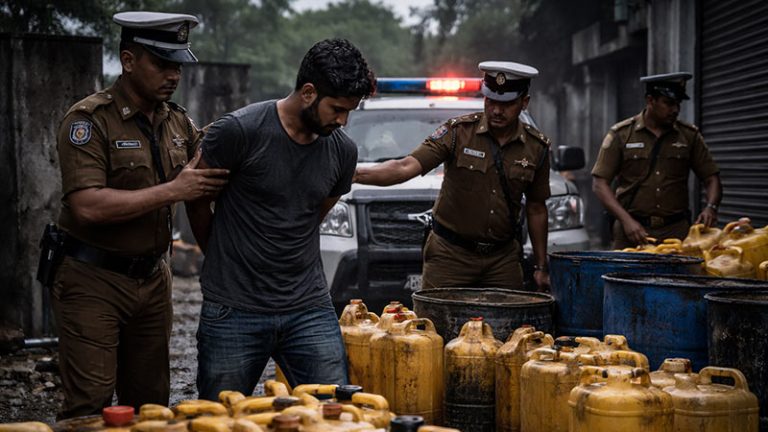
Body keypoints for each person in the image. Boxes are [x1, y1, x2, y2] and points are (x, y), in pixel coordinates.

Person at [50, 11, 229, 419]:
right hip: (93, 278)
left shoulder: (177, 121)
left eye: (178, 65)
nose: (173, 75)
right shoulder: (89, 121)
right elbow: (87, 204)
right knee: (89, 405)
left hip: (152, 278)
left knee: (150, 404)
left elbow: (218, 158)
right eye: (162, 64)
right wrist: (173, 190)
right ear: (128, 61)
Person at [186, 38, 376, 399]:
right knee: (218, 415)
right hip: (234, 308)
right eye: (336, 108)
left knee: (335, 410)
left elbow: (311, 216)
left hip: (308, 307)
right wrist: (221, 256)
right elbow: (197, 202)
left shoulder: (342, 151)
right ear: (308, 92)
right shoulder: (239, 131)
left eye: (350, 111)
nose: (343, 120)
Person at [354, 61, 552, 292]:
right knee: (435, 325)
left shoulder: (536, 147)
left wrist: (541, 266)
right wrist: (353, 175)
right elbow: (405, 167)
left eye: (506, 103)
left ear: (524, 102)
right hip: (450, 256)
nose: (497, 110)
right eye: (491, 101)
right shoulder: (458, 133)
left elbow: (537, 208)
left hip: (503, 259)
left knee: (507, 325)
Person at [591, 72, 722, 249]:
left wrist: (711, 207)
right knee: (626, 276)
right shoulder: (621, 135)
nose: (675, 109)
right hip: (632, 230)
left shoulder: (689, 136)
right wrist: (626, 220)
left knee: (678, 277)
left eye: (678, 104)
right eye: (668, 103)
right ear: (650, 100)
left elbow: (711, 178)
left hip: (677, 232)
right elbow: (600, 184)